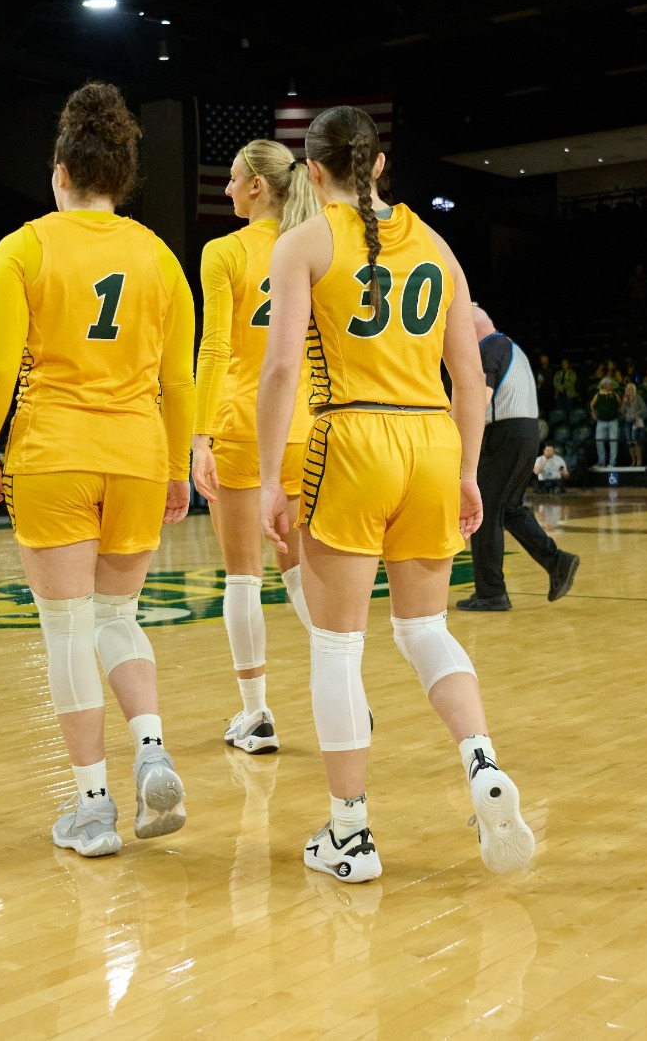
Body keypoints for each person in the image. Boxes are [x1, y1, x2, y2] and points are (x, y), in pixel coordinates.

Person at [256, 103, 535, 884]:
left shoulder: (304, 243)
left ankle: (350, 833)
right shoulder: (438, 247)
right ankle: (482, 762)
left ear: (313, 172)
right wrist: (468, 471)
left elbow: (281, 370)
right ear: (379, 165)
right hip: (431, 442)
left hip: (351, 440)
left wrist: (272, 476)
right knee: (425, 630)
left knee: (337, 646)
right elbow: (471, 379)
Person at [0, 82, 195, 860]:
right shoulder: (160, 257)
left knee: (66, 627)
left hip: (54, 453)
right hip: (137, 454)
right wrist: (175, 465)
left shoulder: (23, 247)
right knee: (118, 616)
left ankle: (94, 806)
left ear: (61, 171)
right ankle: (153, 748)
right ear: (122, 178)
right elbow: (180, 379)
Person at [190, 137, 319, 754]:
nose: (226, 188)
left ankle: (256, 716)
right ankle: (342, 683)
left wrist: (199, 435)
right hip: (306, 426)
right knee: (298, 570)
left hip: (243, 424)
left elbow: (215, 347)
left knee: (243, 576)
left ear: (257, 186)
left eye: (233, 178)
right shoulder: (316, 244)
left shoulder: (224, 252)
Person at [459, 305, 577, 612]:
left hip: (504, 433)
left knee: (484, 512)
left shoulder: (488, 347)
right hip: (526, 432)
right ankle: (557, 561)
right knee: (509, 509)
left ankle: (492, 594)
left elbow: (480, 399)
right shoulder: (510, 346)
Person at [590, 378, 621, 469]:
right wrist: (593, 414)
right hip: (601, 421)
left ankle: (612, 463)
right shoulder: (598, 394)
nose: (610, 385)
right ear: (604, 385)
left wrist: (619, 414)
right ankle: (601, 463)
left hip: (613, 421)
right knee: (599, 441)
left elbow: (621, 404)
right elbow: (591, 405)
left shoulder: (614, 395)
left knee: (613, 442)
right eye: (609, 384)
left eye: (611, 384)